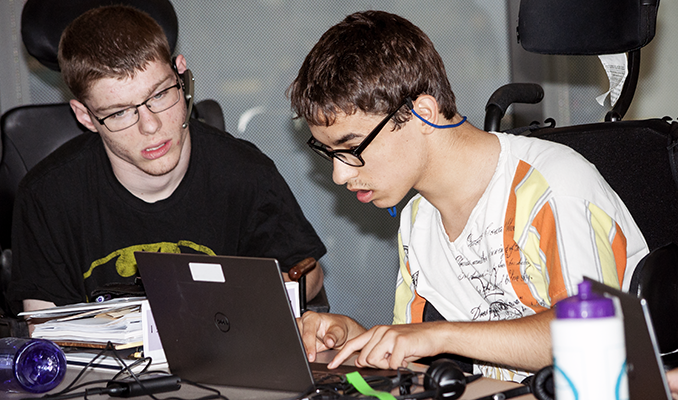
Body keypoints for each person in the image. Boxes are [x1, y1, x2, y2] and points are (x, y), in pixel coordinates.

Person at [287, 10, 648, 381]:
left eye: (351, 147)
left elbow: (591, 341)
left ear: (421, 113)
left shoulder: (554, 188)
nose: (340, 173)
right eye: (330, 153)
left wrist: (438, 335)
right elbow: (414, 358)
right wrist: (358, 340)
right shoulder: (417, 220)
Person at [7, 5, 326, 314]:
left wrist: (272, 294)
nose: (151, 126)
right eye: (119, 112)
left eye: (159, 95)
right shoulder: (46, 197)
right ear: (86, 116)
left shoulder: (245, 173)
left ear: (182, 74)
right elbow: (43, 328)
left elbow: (307, 276)